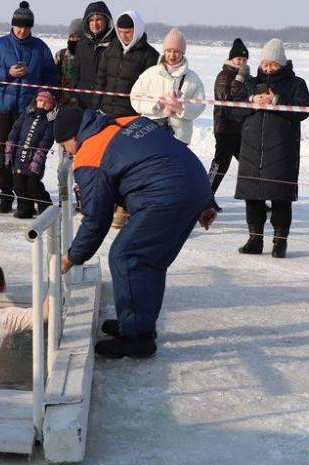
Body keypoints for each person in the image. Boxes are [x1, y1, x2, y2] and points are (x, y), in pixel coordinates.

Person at [54, 107, 216, 359]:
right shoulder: (127, 122)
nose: (68, 152)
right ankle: (138, 324)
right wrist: (204, 200)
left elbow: (96, 219)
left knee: (126, 256)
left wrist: (73, 257)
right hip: (194, 185)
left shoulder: (90, 154)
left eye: (66, 145)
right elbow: (169, 154)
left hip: (166, 195)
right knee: (149, 260)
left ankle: (137, 339)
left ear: (74, 136)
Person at [230, 38, 309, 258]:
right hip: (251, 150)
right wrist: (252, 100)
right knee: (253, 197)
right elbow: (234, 111)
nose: (268, 68)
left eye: (273, 64)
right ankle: (254, 239)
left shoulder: (296, 84)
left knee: (280, 198)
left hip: (282, 151)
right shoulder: (250, 83)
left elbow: (303, 111)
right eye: (265, 63)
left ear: (282, 64)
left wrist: (277, 101)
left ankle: (279, 241)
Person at [0, 1, 58, 213]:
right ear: (12, 25)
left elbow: (51, 76)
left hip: (29, 112)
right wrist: (7, 73)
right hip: (4, 108)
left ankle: (25, 199)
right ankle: (5, 195)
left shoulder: (40, 48)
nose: (22, 31)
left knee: (25, 155)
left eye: (26, 27)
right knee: (3, 152)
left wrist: (45, 94)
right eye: (19, 26)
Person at [129, 28, 205, 145]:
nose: (172, 55)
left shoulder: (192, 78)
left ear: (182, 53)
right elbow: (135, 98)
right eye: (169, 51)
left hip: (179, 136)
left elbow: (200, 104)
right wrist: (158, 104)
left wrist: (181, 108)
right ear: (164, 51)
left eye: (176, 51)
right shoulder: (150, 74)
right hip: (151, 132)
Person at [94, 11, 159, 118]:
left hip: (130, 115)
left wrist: (141, 113)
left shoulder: (150, 55)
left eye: (127, 32)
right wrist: (95, 106)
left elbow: (150, 90)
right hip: (105, 111)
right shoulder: (111, 48)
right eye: (120, 32)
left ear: (137, 30)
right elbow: (101, 80)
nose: (123, 36)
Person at [209, 38, 251, 204]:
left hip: (241, 129)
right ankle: (205, 196)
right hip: (224, 127)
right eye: (238, 59)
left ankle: (256, 200)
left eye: (244, 59)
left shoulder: (247, 76)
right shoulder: (224, 76)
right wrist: (239, 80)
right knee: (220, 164)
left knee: (250, 165)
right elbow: (227, 98)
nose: (241, 62)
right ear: (232, 59)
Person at [5, 90, 57, 219]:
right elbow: (16, 129)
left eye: (46, 103)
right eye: (40, 101)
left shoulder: (49, 120)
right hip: (20, 155)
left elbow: (46, 141)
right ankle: (25, 208)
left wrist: (37, 159)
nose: (42, 104)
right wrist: (10, 148)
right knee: (18, 184)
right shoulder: (27, 113)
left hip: (34, 159)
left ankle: (46, 207)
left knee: (33, 184)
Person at [71, 1, 114, 109]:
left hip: (106, 102)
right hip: (82, 100)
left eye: (98, 19)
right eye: (91, 20)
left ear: (106, 20)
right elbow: (76, 69)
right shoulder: (82, 44)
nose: (94, 24)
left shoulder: (115, 44)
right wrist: (74, 88)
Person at [55, 18, 84, 107]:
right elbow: (54, 78)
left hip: (82, 104)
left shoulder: (88, 56)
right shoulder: (61, 54)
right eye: (72, 36)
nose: (75, 40)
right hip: (62, 103)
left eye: (78, 37)